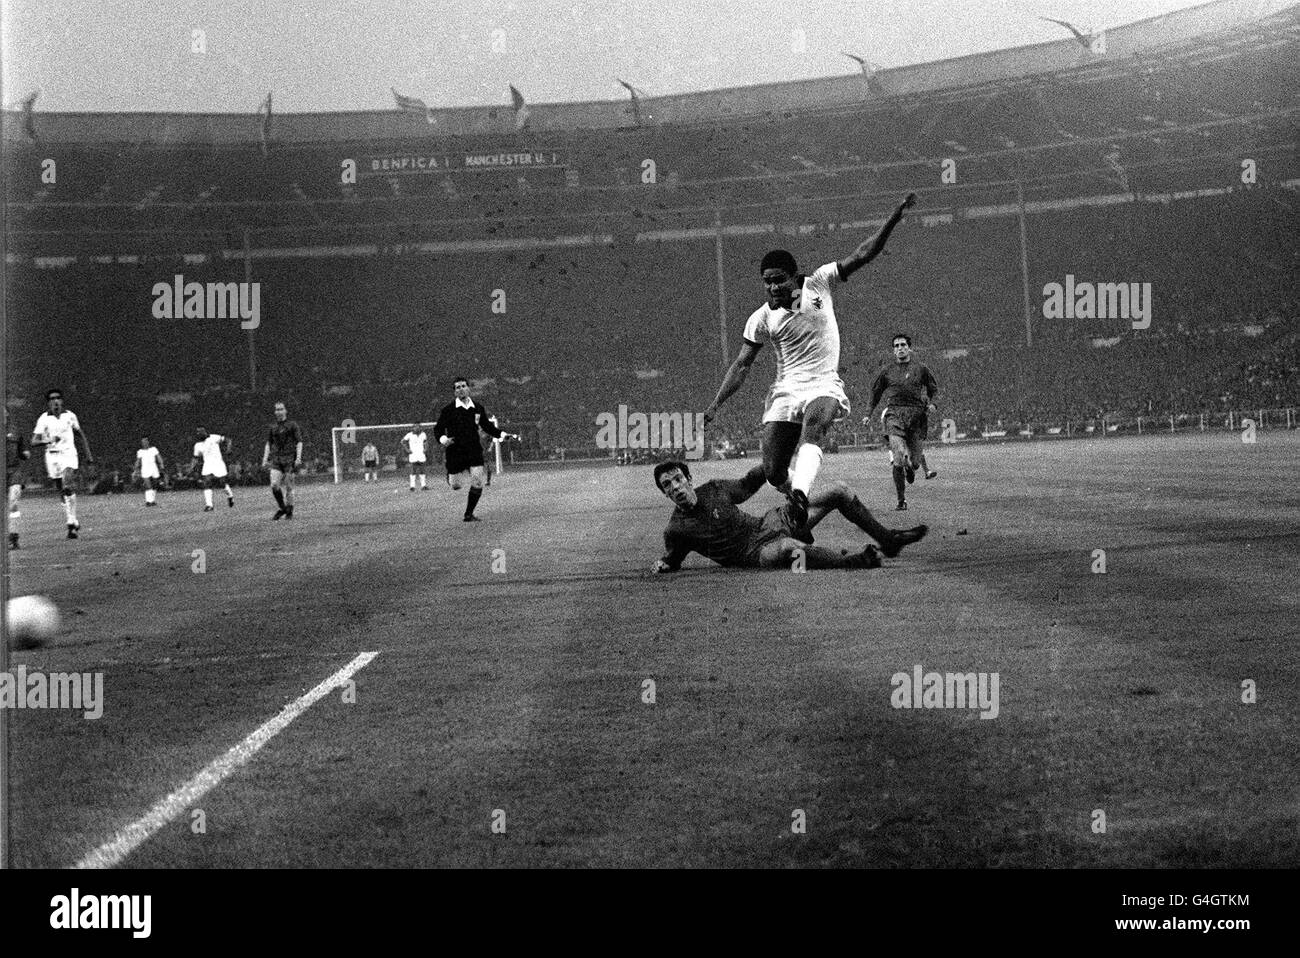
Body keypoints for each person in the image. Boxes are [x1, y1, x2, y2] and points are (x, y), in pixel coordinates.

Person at [703, 192, 918, 525]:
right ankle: (796, 493)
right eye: (766, 281)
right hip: (786, 390)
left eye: (778, 280)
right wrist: (716, 405)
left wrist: (894, 217)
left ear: (793, 277)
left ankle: (800, 497)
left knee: (814, 426)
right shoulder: (760, 319)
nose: (772, 287)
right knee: (774, 472)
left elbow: (862, 253)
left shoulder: (819, 283)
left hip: (823, 383)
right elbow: (742, 364)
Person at [652, 459, 927, 573]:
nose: (675, 487)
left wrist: (772, 464)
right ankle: (854, 561)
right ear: (664, 493)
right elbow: (671, 559)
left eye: (678, 479)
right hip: (753, 553)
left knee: (839, 491)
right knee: (788, 547)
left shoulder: (714, 489)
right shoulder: (676, 530)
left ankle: (888, 540)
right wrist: (663, 564)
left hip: (770, 522)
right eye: (668, 485)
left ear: (689, 478)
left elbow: (748, 484)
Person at [866, 333, 939, 510]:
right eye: (896, 346)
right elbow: (875, 393)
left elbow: (933, 390)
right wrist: (868, 413)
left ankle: (910, 468)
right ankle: (901, 500)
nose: (900, 348)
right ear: (893, 350)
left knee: (914, 462)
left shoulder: (921, 369)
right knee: (898, 457)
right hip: (894, 415)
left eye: (903, 345)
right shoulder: (886, 371)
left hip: (916, 416)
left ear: (909, 348)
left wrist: (933, 404)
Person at [433, 377, 518, 522]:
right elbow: (438, 429)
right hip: (455, 451)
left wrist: (503, 434)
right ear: (454, 392)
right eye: (457, 387)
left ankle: (468, 513)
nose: (461, 389)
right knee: (456, 485)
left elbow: (487, 427)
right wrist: (443, 439)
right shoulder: (448, 410)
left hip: (473, 449)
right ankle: (450, 475)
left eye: (463, 386)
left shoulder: (478, 408)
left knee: (478, 481)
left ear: (468, 388)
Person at [31, 388, 94, 539]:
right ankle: (73, 519)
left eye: (58, 398)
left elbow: (80, 434)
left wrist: (89, 455)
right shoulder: (44, 419)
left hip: (68, 454)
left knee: (67, 484)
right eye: (52, 399)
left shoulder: (70, 416)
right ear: (49, 403)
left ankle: (71, 524)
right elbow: (33, 441)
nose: (56, 401)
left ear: (62, 400)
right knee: (62, 491)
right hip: (52, 457)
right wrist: (49, 440)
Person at [261, 401, 302, 520]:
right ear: (275, 412)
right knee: (274, 485)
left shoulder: (292, 425)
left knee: (289, 487)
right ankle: (283, 507)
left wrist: (298, 457)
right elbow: (268, 443)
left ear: (285, 411)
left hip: (290, 459)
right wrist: (265, 459)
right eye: (277, 409)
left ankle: (289, 510)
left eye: (281, 409)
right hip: (277, 460)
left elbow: (299, 442)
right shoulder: (272, 427)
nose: (279, 411)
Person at [190, 428, 236, 511]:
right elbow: (195, 458)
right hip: (207, 464)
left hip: (218, 463)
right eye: (197, 433)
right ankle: (209, 505)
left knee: (222, 483)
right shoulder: (198, 445)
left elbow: (228, 440)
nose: (199, 434)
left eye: (200, 432)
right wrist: (192, 467)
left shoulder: (214, 437)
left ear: (204, 432)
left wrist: (229, 449)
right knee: (206, 482)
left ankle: (230, 496)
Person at [7, 412, 30, 549]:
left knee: (13, 503)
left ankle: (13, 538)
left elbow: (23, 451)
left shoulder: (15, 432)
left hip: (14, 471)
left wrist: (25, 453)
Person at [133, 437, 166, 507]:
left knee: (155, 485)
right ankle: (148, 501)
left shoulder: (153, 449)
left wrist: (161, 465)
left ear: (148, 442)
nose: (144, 443)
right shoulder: (140, 451)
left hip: (154, 468)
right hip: (145, 469)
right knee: (148, 486)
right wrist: (135, 470)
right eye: (143, 442)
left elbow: (159, 457)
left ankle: (152, 501)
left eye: (145, 441)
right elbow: (138, 461)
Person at [401, 425, 429, 491]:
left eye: (418, 427)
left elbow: (426, 442)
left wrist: (426, 449)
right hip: (413, 455)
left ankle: (423, 486)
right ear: (413, 428)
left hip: (421, 454)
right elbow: (402, 441)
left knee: (422, 470)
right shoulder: (409, 435)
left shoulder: (423, 434)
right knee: (413, 470)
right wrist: (407, 449)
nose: (417, 428)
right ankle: (412, 486)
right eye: (415, 427)